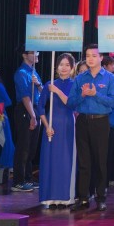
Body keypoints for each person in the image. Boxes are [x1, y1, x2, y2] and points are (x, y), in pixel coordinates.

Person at [67, 44, 114, 212]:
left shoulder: (110, 78)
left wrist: (96, 94)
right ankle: (83, 198)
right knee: (84, 161)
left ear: (101, 58)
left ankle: (101, 197)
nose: (90, 59)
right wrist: (82, 95)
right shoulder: (80, 78)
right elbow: (70, 102)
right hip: (82, 121)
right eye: (88, 55)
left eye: (94, 55)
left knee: (100, 161)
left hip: (101, 122)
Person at [36, 53, 76, 209]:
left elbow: (71, 104)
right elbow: (40, 107)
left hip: (67, 125)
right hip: (51, 126)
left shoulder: (74, 84)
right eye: (61, 64)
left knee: (65, 160)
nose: (63, 68)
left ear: (72, 68)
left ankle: (64, 197)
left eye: (67, 65)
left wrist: (57, 91)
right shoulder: (48, 84)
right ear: (56, 67)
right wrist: (46, 126)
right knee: (50, 160)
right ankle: (50, 198)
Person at [12, 47, 43, 192]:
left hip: (35, 108)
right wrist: (32, 116)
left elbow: (43, 92)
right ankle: (18, 181)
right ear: (25, 55)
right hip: (25, 109)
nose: (37, 55)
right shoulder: (21, 73)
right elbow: (25, 97)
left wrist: (37, 84)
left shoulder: (33, 72)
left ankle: (28, 178)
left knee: (32, 147)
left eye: (37, 52)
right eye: (34, 52)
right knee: (23, 146)